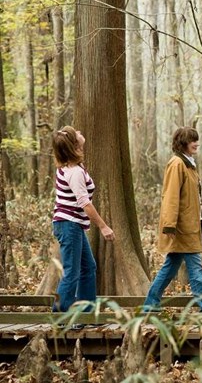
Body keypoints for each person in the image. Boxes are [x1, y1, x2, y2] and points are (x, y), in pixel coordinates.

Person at [143, 127, 202, 313]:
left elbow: (193, 199)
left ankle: (151, 303)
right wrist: (169, 224)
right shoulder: (177, 164)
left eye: (197, 140)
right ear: (183, 143)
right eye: (193, 140)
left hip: (191, 226)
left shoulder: (189, 164)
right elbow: (171, 196)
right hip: (182, 228)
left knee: (170, 267)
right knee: (196, 270)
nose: (196, 143)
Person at [51, 126, 115, 312]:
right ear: (74, 145)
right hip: (69, 224)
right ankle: (57, 317)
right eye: (76, 133)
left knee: (88, 267)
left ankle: (85, 313)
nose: (80, 132)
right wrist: (103, 227)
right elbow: (84, 204)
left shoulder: (71, 167)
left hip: (72, 224)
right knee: (71, 272)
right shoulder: (75, 172)